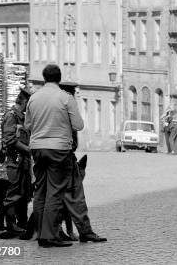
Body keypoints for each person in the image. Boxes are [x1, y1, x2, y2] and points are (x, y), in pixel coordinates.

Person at [26, 64, 84, 248]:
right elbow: (78, 125)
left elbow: (28, 125)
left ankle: (40, 232)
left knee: (40, 191)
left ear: (44, 78)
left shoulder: (34, 98)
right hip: (58, 149)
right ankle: (49, 235)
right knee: (55, 191)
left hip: (37, 148)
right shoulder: (65, 98)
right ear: (60, 78)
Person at [57, 82, 106, 243]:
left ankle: (52, 232)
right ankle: (85, 231)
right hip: (65, 161)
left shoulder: (47, 107)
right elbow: (77, 131)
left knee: (51, 198)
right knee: (76, 197)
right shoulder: (68, 111)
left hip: (49, 160)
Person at [0, 88, 33, 238]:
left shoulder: (22, 118)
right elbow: (10, 140)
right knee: (13, 193)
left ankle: (22, 223)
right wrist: (27, 149)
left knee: (24, 193)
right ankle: (11, 224)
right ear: (24, 101)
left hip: (24, 161)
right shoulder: (11, 116)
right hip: (14, 161)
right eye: (29, 103)